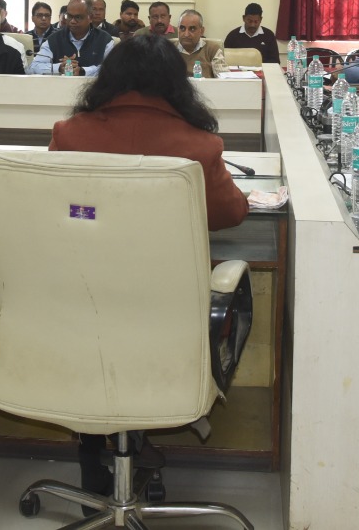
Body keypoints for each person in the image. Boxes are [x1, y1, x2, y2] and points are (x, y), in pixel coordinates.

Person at [48, 33, 249, 500]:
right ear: (176, 84)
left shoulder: (70, 134)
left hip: (83, 305)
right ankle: (134, 435)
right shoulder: (199, 146)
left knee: (105, 326)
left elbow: (61, 209)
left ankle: (96, 450)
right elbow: (232, 213)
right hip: (169, 316)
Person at [29, 0, 111, 76]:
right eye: (69, 16)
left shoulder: (105, 40)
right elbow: (33, 68)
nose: (72, 21)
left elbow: (110, 69)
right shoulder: (54, 39)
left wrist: (83, 71)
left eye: (78, 17)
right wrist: (59, 67)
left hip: (94, 85)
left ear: (90, 18)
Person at [173, 10, 227, 78]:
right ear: (178, 29)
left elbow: (225, 79)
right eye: (182, 28)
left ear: (201, 31)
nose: (186, 34)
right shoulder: (169, 49)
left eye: (192, 29)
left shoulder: (212, 49)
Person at [222, 2, 279, 66]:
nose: (252, 25)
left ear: (261, 19)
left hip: (262, 70)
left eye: (256, 21)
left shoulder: (269, 35)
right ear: (243, 18)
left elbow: (275, 61)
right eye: (249, 21)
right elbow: (223, 58)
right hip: (239, 71)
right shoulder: (233, 36)